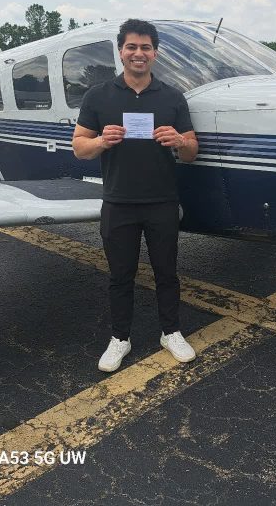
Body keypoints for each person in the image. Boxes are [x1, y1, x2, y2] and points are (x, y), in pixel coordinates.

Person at [72, 19, 199, 372]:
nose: (138, 53)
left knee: (167, 272)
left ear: (155, 53)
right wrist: (101, 141)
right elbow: (79, 147)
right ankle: (120, 338)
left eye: (145, 47)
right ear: (120, 51)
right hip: (118, 202)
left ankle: (171, 332)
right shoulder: (98, 96)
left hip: (162, 201)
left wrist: (180, 141)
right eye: (131, 47)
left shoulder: (172, 97)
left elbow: (192, 151)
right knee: (120, 275)